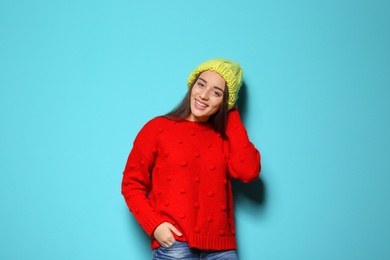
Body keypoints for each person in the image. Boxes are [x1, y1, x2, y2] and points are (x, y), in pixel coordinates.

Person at [121, 58, 261, 259]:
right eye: (201, 84)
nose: (203, 95)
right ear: (192, 84)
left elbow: (249, 171)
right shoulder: (157, 129)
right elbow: (131, 184)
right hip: (175, 247)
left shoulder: (224, 138)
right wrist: (155, 225)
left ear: (226, 101)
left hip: (222, 248)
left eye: (216, 93)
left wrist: (231, 113)